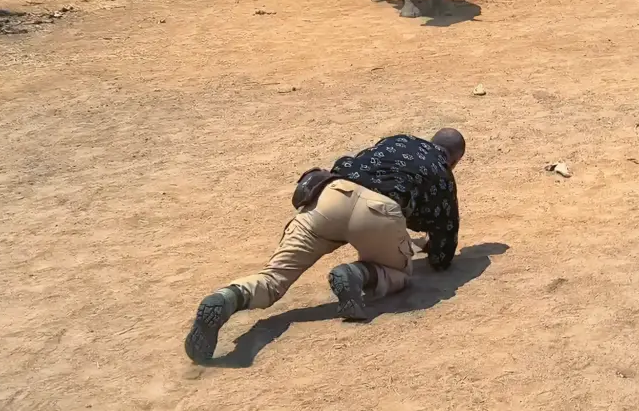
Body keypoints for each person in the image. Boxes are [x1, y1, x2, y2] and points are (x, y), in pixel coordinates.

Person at [183, 128, 465, 364]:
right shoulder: (441, 172)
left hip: (331, 194)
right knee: (401, 274)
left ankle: (228, 297)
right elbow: (443, 250)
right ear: (455, 161)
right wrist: (428, 249)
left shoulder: (399, 140)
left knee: (273, 278)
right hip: (379, 212)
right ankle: (358, 275)